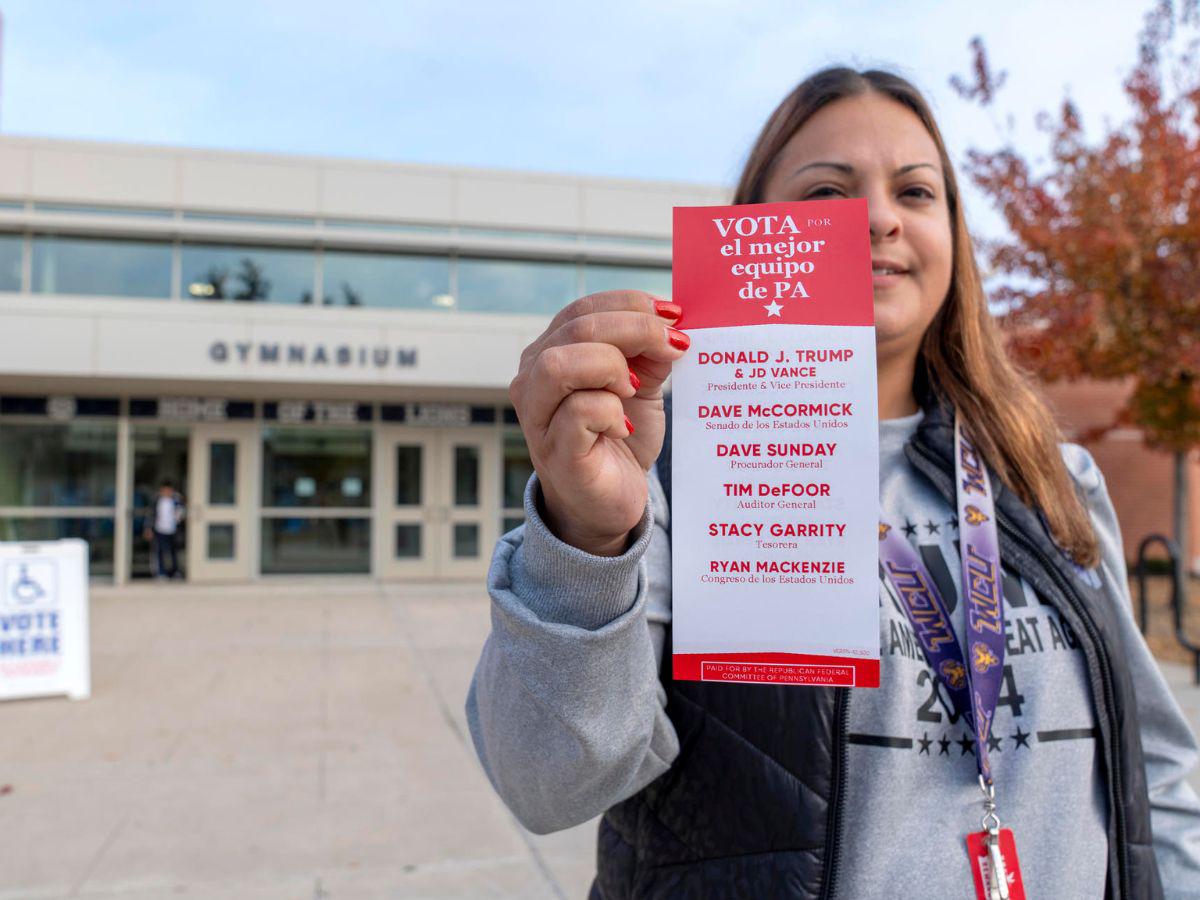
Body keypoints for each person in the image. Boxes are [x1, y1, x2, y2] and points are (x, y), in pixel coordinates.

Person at [466, 67, 1200, 899]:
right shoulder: (668, 483)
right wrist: (583, 540)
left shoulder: (1051, 474)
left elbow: (1157, 776)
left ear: (952, 237)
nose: (880, 218)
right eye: (828, 192)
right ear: (753, 236)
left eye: (916, 192)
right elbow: (547, 784)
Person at [143, 480, 185, 580]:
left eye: (169, 491)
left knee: (174, 552)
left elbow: (181, 514)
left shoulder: (176, 501)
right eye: (164, 491)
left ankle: (175, 571)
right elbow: (150, 515)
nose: (167, 492)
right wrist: (148, 528)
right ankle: (161, 572)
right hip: (160, 529)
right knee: (160, 551)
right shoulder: (156, 501)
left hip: (173, 530)